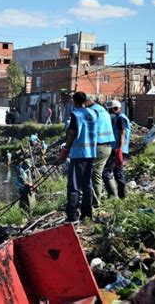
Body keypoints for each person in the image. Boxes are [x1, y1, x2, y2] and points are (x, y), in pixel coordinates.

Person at [60, 91, 98, 221]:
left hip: (78, 154)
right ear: (86, 100)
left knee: (74, 185)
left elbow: (73, 134)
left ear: (74, 101)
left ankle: (72, 215)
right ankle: (87, 213)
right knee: (87, 184)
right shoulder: (93, 113)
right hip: (91, 152)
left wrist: (65, 149)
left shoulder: (76, 114)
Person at [88, 95, 115, 207]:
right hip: (107, 147)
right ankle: (109, 197)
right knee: (98, 174)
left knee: (88, 174)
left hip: (98, 146)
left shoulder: (92, 112)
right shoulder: (103, 110)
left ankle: (93, 202)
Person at [102, 100, 130, 199]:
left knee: (106, 172)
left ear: (116, 108)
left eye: (111, 110)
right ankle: (122, 196)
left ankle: (114, 196)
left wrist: (119, 150)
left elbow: (122, 135)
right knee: (118, 172)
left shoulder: (120, 119)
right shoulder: (118, 118)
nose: (110, 112)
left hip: (117, 149)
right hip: (118, 148)